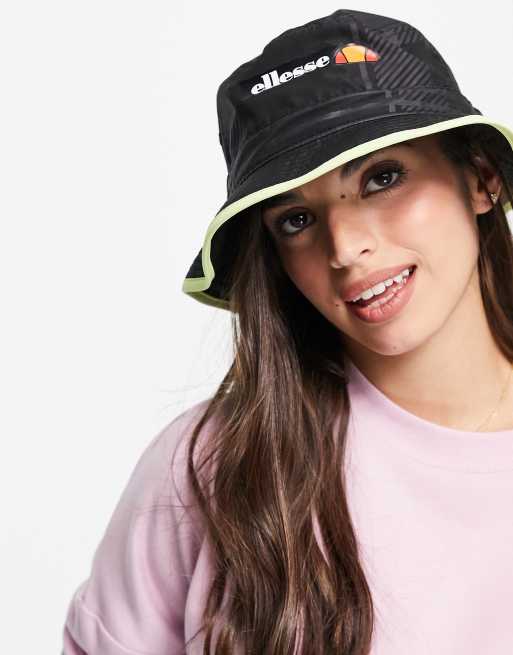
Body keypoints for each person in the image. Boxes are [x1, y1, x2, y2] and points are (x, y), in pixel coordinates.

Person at [62, 8, 513, 655]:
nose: (345, 247)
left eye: (382, 178)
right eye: (296, 220)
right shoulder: (215, 465)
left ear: (481, 177)